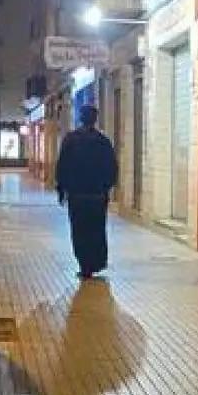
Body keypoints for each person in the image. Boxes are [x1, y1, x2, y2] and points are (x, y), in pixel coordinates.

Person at [56, 104, 118, 279]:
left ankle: (85, 265)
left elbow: (62, 166)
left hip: (77, 196)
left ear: (80, 118)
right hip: (97, 196)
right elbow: (112, 168)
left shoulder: (71, 140)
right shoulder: (103, 142)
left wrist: (62, 189)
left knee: (79, 230)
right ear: (95, 119)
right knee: (97, 229)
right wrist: (106, 188)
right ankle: (96, 261)